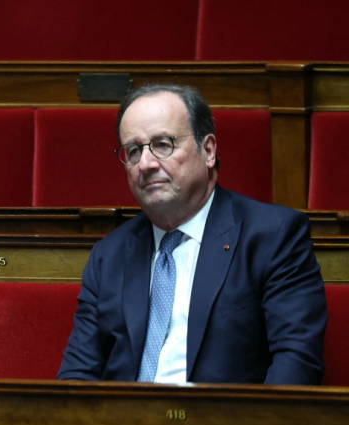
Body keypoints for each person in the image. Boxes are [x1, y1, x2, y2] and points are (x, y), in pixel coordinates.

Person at [57, 84, 326, 385]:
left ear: (208, 151)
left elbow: (296, 363)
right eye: (133, 150)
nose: (145, 164)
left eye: (163, 144)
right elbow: (77, 378)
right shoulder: (110, 256)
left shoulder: (272, 236)